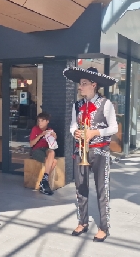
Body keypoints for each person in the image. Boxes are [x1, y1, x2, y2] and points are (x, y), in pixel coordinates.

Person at [63, 66, 118, 242]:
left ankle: (104, 227)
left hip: (100, 151)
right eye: (80, 84)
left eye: (84, 84)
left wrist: (95, 133)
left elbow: (114, 128)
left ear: (93, 85)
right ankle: (83, 222)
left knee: (102, 190)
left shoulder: (106, 104)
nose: (80, 87)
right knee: (80, 188)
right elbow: (73, 125)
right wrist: (75, 133)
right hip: (81, 151)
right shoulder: (77, 105)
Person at [29, 112, 57, 195]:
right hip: (36, 150)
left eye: (42, 121)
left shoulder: (50, 130)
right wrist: (40, 135)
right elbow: (31, 144)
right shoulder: (35, 129)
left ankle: (44, 181)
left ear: (47, 121)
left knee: (52, 152)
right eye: (39, 121)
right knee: (54, 162)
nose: (40, 123)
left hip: (46, 149)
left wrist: (54, 137)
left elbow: (52, 145)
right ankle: (44, 182)